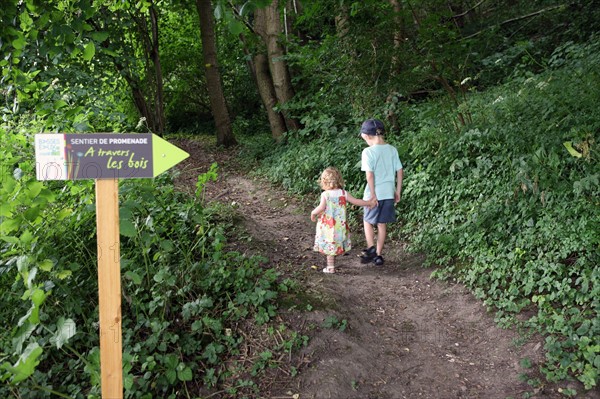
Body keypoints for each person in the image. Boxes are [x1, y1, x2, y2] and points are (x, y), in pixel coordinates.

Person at [311, 167, 376, 273]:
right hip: (340, 226)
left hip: (328, 227)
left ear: (324, 182)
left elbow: (321, 207)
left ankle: (330, 267)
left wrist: (313, 213)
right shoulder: (343, 193)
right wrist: (369, 203)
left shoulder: (325, 195)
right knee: (335, 243)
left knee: (330, 246)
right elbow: (356, 201)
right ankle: (332, 263)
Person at [358, 118, 403, 266]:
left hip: (374, 194)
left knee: (367, 221)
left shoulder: (368, 152)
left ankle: (371, 249)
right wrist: (397, 191)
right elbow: (399, 171)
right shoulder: (392, 149)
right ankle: (378, 255)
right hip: (389, 193)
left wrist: (372, 194)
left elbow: (369, 175)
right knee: (382, 224)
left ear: (367, 136)